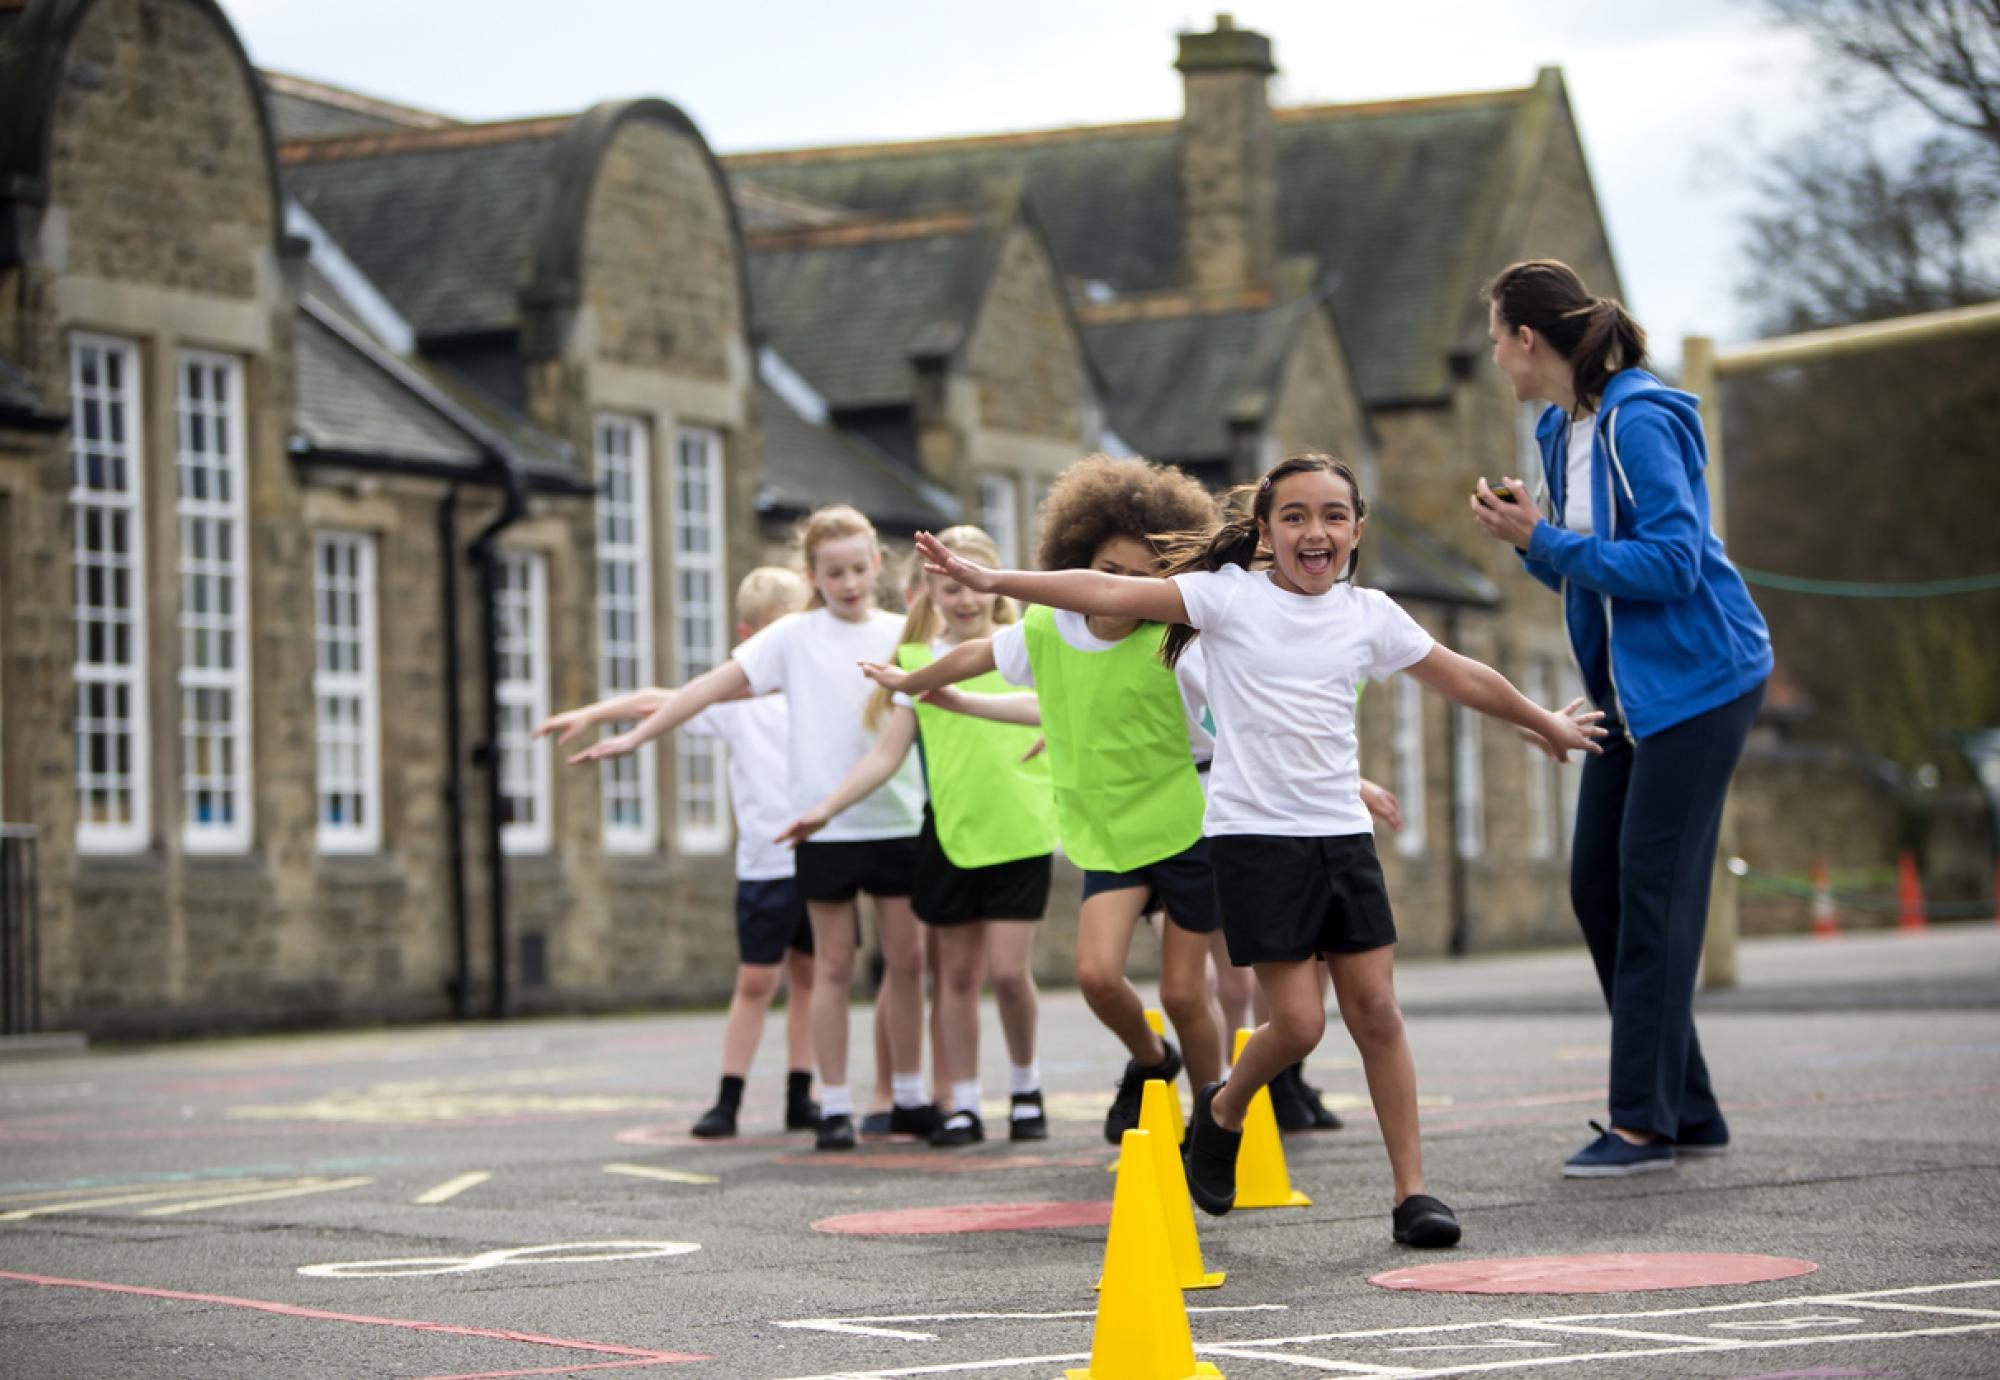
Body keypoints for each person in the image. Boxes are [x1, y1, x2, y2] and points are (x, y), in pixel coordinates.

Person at [910, 453, 1604, 1248]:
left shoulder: (1370, 614)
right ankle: (1225, 1106)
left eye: (1333, 516)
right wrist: (997, 583)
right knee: (1300, 1026)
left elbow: (1460, 675)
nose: (1316, 531)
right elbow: (1106, 590)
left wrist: (1542, 721)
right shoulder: (1225, 599)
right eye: (1296, 515)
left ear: (1356, 529)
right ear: (1267, 531)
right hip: (1254, 839)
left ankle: (1413, 1194)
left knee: (1376, 1010)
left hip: (1340, 836)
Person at [1474, 258, 1772, 1177]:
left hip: (1701, 683)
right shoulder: (1561, 427)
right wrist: (1536, 543)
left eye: (1496, 338)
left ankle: (1641, 1125)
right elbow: (1587, 571)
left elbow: (1673, 565)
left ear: (1530, 338)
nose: (1494, 358)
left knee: (1651, 893)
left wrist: (1547, 540)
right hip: (1626, 696)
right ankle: (1690, 1108)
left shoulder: (1640, 420)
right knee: (1597, 888)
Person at [863, 456, 1227, 1142]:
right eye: (1107, 573)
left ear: (1169, 586)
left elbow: (1236, 731)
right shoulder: (1047, 631)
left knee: (1184, 993)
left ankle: (1213, 1126)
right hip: (1108, 830)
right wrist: (912, 682)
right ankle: (1152, 1061)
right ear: (1074, 564)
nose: (1119, 592)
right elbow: (976, 659)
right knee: (1095, 975)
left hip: (1186, 824)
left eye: (1143, 581)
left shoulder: (1182, 647)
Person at [570, 505, 936, 1151]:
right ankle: (833, 1106)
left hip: (896, 820)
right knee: (831, 967)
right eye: (833, 573)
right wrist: (635, 737)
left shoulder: (903, 632)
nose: (848, 582)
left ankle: (908, 1095)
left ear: (877, 565)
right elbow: (707, 687)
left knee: (906, 963)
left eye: (858, 568)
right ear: (811, 574)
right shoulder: (792, 637)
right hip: (820, 828)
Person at [779, 526, 1054, 1146]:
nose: (961, 600)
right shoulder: (916, 664)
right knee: (954, 977)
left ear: (991, 584)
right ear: (927, 590)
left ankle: (1026, 1086)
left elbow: (1068, 711)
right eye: (946, 587)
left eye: (969, 586)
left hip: (1022, 829)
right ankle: (961, 1102)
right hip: (950, 833)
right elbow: (885, 756)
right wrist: (825, 810)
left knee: (1009, 974)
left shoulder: (1027, 647)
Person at [535, 566, 818, 1138]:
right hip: (765, 866)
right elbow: (656, 702)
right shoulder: (735, 703)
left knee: (814, 980)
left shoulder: (820, 695)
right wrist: (593, 714)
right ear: (748, 637)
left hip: (820, 859)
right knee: (756, 982)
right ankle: (729, 1098)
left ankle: (802, 1093)